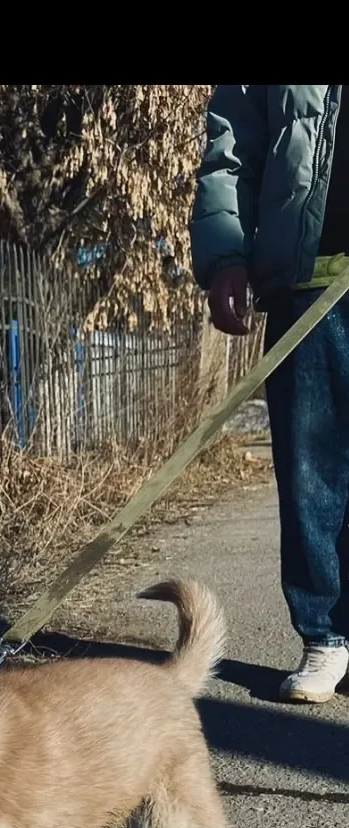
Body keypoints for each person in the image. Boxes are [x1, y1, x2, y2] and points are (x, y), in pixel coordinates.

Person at [191, 85, 349, 703]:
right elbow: (231, 146)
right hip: (307, 276)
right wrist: (227, 254)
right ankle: (325, 636)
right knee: (310, 469)